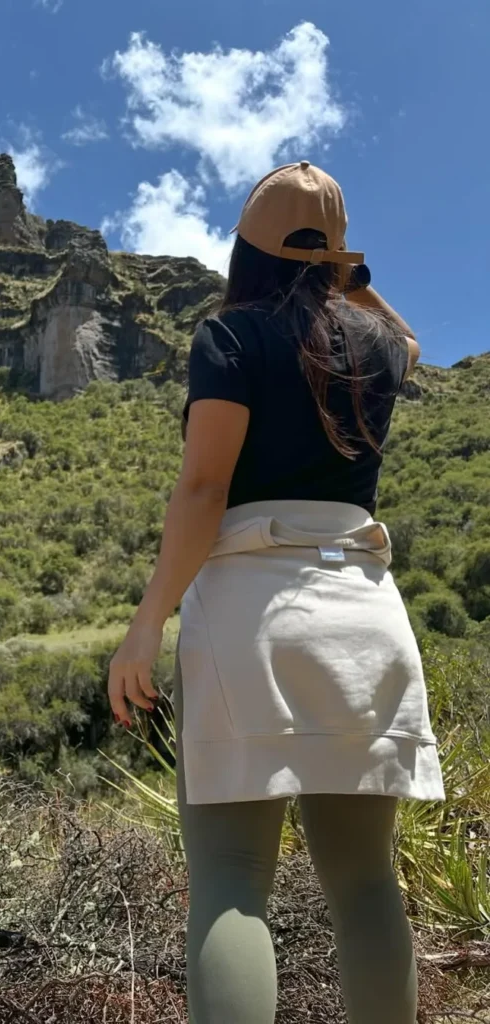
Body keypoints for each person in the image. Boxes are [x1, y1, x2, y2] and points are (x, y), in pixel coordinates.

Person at [107, 161, 445, 1024]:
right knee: (367, 882)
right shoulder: (374, 348)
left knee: (231, 885)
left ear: (243, 249)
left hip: (251, 617)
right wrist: (351, 279)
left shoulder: (229, 338)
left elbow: (201, 493)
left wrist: (145, 625)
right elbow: (409, 344)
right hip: (365, 616)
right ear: (337, 259)